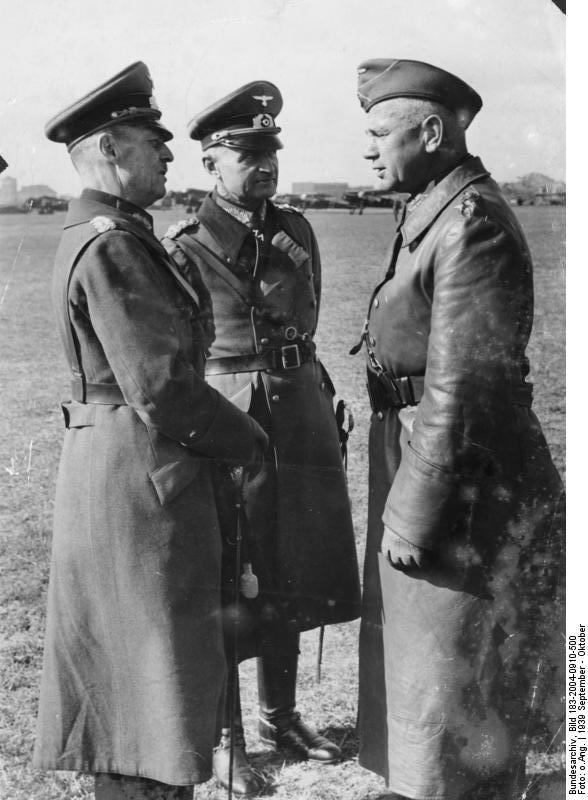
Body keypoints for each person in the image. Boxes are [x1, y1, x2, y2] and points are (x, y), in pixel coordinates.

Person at [33, 62, 269, 800]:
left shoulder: (119, 233)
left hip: (129, 467)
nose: (169, 155)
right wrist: (251, 441)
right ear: (108, 149)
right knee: (149, 679)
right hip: (140, 478)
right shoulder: (112, 243)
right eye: (151, 141)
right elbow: (164, 387)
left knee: (144, 678)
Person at [353, 59, 564, 800]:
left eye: (382, 132)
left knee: (458, 689)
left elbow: (461, 389)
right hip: (432, 459)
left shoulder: (469, 224)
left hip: (460, 485)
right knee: (431, 679)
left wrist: (412, 511)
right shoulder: (436, 209)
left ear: (433, 131)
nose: (369, 149)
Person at [162, 80, 361, 796]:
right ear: (211, 162)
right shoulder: (185, 247)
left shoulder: (297, 230)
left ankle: (281, 715)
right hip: (231, 415)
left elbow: (304, 329)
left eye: (269, 150)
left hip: (299, 410)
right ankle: (223, 736)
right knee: (231, 570)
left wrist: (323, 397)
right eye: (247, 153)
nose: (264, 164)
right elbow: (181, 355)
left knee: (293, 565)